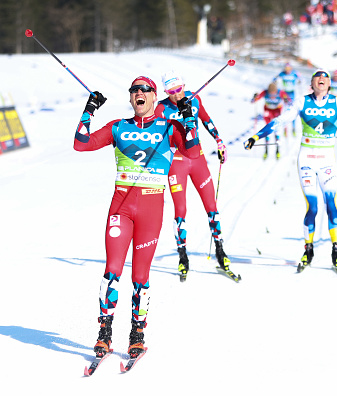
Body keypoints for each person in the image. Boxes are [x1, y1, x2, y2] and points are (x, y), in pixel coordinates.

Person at [73, 76, 200, 359]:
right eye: (134, 90)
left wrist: (189, 120)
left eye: (145, 90)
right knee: (112, 271)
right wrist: (89, 110)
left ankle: (137, 333)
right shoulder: (119, 127)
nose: (139, 93)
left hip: (151, 210)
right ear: (131, 98)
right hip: (121, 208)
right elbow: (81, 144)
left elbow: (192, 150)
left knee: (140, 276)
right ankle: (104, 333)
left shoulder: (169, 127)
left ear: (155, 97)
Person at [244, 69, 337, 275]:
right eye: (317, 77)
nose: (322, 79)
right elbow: (279, 122)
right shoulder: (301, 102)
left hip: (327, 161)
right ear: (311, 84)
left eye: (325, 78)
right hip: (306, 159)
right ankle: (308, 250)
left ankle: (336, 249)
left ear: (329, 84)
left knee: (331, 203)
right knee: (312, 207)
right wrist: (255, 137)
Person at [154, 70, 234, 280]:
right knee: (180, 210)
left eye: (179, 89)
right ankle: (183, 258)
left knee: (212, 207)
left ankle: (220, 251)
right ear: (165, 91)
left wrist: (219, 141)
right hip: (177, 162)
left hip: (198, 159)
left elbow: (207, 120)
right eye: (171, 91)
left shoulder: (194, 98)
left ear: (184, 86)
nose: (176, 95)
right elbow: (156, 135)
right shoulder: (162, 108)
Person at [251, 82, 291, 159]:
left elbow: (289, 101)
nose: (272, 95)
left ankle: (278, 150)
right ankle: (266, 151)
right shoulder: (265, 92)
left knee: (276, 129)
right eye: (270, 93)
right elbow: (254, 101)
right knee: (267, 129)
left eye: (273, 93)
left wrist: (286, 100)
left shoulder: (280, 92)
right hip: (268, 111)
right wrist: (255, 97)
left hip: (277, 110)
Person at [275, 63, 302, 136]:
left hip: (292, 93)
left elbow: (301, 77)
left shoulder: (294, 73)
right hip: (284, 93)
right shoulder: (282, 73)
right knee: (284, 109)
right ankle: (285, 127)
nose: (287, 71)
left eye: (288, 69)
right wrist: (275, 81)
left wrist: (299, 81)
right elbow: (275, 78)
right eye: (286, 69)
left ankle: (293, 127)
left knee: (292, 109)